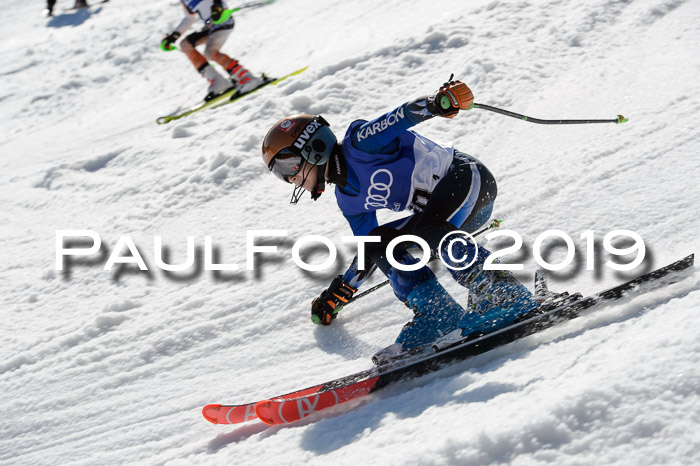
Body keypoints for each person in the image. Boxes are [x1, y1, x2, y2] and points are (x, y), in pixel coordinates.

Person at [261, 78, 542, 359]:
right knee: (377, 241)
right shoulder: (348, 199)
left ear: (314, 147)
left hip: (468, 179)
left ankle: (504, 294)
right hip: (441, 219)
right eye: (281, 173)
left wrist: (437, 103)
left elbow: (400, 117)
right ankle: (437, 315)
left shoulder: (360, 144)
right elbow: (367, 253)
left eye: (289, 166)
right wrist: (340, 291)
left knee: (429, 226)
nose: (291, 178)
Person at [160, 0, 263, 101]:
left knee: (210, 52)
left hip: (223, 20)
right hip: (210, 25)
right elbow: (189, 18)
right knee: (185, 45)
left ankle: (248, 78)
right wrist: (173, 36)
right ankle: (219, 82)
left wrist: (218, 5)